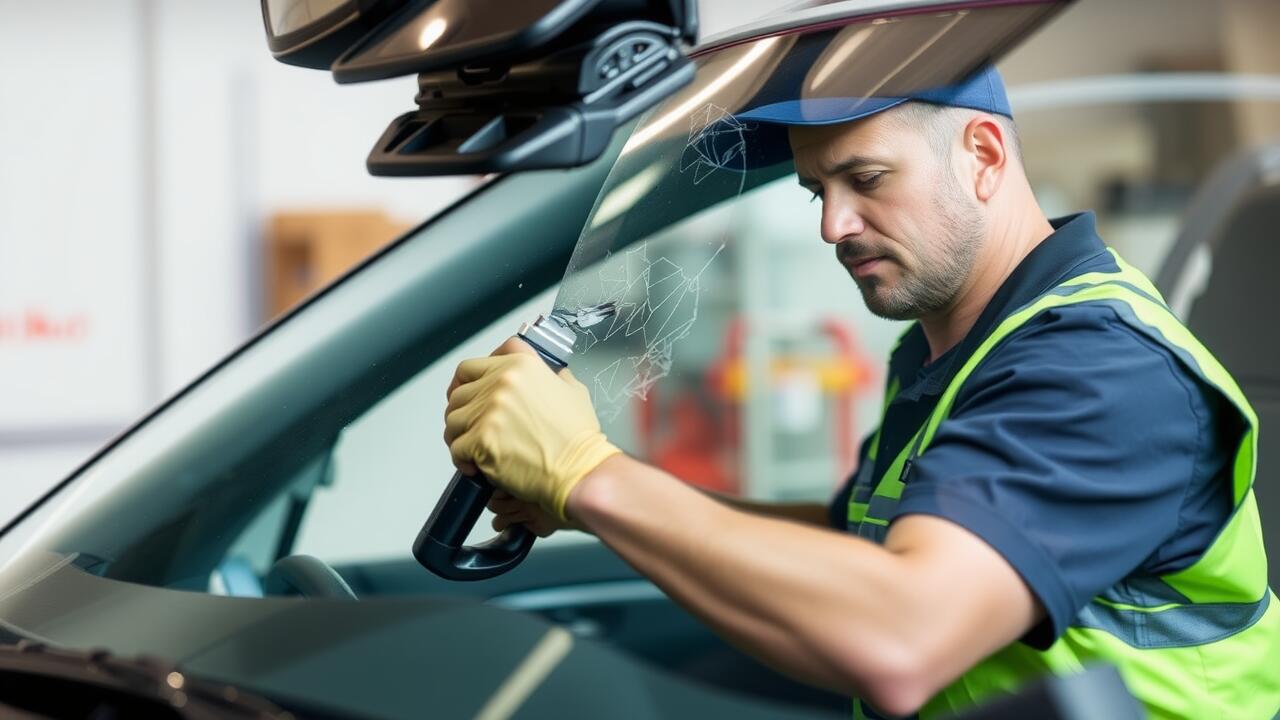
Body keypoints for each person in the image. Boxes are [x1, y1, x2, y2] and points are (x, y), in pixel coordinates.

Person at [442, 66, 1280, 718]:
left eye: (867, 179)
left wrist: (589, 473)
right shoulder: (951, 348)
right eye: (819, 191)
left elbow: (901, 635)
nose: (831, 225)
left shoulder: (1100, 368)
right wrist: (587, 497)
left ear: (984, 157)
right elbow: (854, 550)